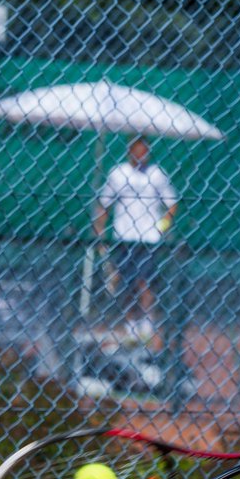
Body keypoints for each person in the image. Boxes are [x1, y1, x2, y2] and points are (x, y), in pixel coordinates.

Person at [93, 135, 179, 343]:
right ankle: (131, 325)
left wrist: (161, 227)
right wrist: (100, 233)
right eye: (137, 150)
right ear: (129, 152)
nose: (141, 155)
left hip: (148, 239)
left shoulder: (157, 174)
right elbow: (104, 205)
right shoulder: (118, 174)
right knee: (128, 283)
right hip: (123, 238)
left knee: (145, 282)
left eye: (145, 151)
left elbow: (172, 204)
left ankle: (147, 325)